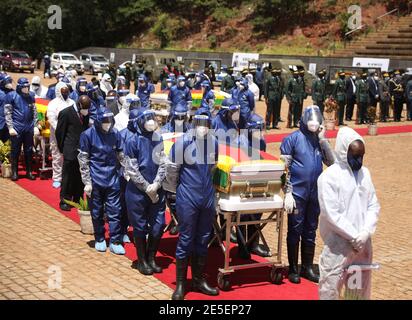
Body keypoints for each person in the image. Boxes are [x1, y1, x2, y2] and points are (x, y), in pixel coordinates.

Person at [317, 127, 380, 300]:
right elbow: (330, 213)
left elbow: (373, 205)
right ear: (344, 152)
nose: (359, 160)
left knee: (356, 292)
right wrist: (353, 236)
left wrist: (366, 232)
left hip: (362, 246)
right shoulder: (329, 177)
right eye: (355, 156)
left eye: (362, 156)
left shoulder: (364, 174)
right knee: (330, 288)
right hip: (338, 246)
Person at [280, 105, 336, 284]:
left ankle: (307, 267)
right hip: (297, 193)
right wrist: (287, 192)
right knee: (295, 230)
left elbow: (332, 163)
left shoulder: (317, 140)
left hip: (315, 193)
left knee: (310, 229)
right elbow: (284, 169)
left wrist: (323, 141)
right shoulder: (292, 139)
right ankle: (293, 268)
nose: (313, 123)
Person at [167, 114, 220, 300]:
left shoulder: (213, 142)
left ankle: (199, 280)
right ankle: (181, 284)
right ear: (193, 124)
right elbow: (172, 168)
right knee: (186, 239)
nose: (202, 128)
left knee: (203, 238)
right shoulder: (183, 142)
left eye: (206, 124)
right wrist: (176, 190)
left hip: (206, 196)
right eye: (200, 124)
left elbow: (213, 166)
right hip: (188, 195)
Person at [123, 109, 166, 275]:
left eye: (152, 118)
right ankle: (141, 261)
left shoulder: (158, 138)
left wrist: (155, 184)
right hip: (137, 192)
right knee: (139, 226)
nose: (151, 122)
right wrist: (146, 187)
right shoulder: (132, 141)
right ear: (140, 121)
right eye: (147, 119)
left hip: (156, 190)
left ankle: (151, 257)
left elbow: (163, 162)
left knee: (158, 224)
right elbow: (131, 169)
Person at [78, 107, 126, 255]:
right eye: (105, 121)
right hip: (95, 179)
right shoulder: (87, 135)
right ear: (98, 121)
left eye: (110, 121)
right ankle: (99, 238)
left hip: (112, 177)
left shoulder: (115, 133)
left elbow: (121, 155)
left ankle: (115, 241)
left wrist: (128, 172)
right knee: (97, 211)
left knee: (115, 211)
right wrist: (87, 182)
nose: (108, 124)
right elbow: (83, 159)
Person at [56, 95, 90, 211]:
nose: (86, 111)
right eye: (84, 108)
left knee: (80, 177)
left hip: (82, 151)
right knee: (67, 177)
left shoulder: (85, 113)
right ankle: (65, 200)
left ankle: (77, 199)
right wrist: (63, 149)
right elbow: (60, 133)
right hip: (70, 150)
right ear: (79, 104)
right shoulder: (66, 113)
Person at [160, 101, 189, 236]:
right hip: (169, 170)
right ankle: (174, 219)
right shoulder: (165, 130)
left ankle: (181, 220)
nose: (179, 120)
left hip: (186, 170)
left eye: (182, 118)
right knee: (170, 195)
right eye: (177, 117)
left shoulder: (189, 130)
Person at [4, 78, 40, 181]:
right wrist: (10, 127)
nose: (26, 89)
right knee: (15, 150)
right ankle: (15, 172)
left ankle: (29, 171)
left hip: (28, 127)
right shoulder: (11, 96)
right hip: (17, 127)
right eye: (24, 87)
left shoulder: (31, 96)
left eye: (27, 87)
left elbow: (35, 112)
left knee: (29, 150)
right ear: (19, 87)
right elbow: (8, 113)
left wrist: (36, 125)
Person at [47, 82, 75, 188]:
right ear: (58, 92)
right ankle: (57, 178)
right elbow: (51, 119)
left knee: (69, 156)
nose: (65, 93)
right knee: (57, 155)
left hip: (70, 135)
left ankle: (68, 177)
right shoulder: (53, 104)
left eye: (67, 91)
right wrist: (61, 130)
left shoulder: (72, 102)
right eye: (63, 92)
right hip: (57, 134)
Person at [0, 73, 11, 142]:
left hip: (9, 125)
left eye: (9, 81)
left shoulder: (13, 93)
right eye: (7, 82)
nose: (9, 83)